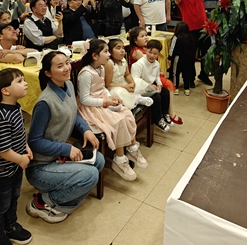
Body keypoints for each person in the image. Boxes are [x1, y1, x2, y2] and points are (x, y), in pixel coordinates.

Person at [26, 52, 104, 223]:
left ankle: (58, 201)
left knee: (99, 160)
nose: (67, 68)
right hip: (41, 167)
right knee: (91, 175)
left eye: (67, 63)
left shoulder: (68, 84)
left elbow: (73, 113)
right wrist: (66, 148)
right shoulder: (45, 102)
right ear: (48, 73)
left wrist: (86, 130)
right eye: (59, 66)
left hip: (58, 158)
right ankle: (42, 202)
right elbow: (34, 142)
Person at [77, 39, 148, 180]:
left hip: (102, 100)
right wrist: (105, 101)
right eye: (105, 51)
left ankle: (132, 148)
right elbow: (85, 99)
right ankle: (119, 160)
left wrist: (110, 97)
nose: (109, 54)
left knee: (127, 113)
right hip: (91, 107)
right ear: (94, 56)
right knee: (118, 120)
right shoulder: (85, 74)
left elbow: (102, 87)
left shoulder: (101, 68)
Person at [0, 69, 33, 245]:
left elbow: (18, 134)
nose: (25, 83)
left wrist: (25, 147)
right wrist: (20, 159)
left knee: (14, 197)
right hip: (2, 171)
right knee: (1, 205)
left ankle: (11, 226)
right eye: (19, 81)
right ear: (5, 91)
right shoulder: (2, 117)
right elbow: (1, 149)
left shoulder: (15, 108)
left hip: (14, 167)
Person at [131, 39, 180, 131]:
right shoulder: (138, 64)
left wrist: (159, 84)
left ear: (158, 54)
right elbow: (135, 80)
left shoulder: (156, 64)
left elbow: (157, 76)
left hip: (150, 86)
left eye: (155, 54)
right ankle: (157, 119)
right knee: (156, 96)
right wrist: (149, 86)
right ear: (146, 50)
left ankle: (165, 114)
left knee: (165, 92)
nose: (152, 56)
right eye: (150, 52)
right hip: (140, 88)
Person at [173, 0, 213, 86]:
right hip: (190, 31)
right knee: (190, 55)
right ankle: (190, 78)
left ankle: (204, 75)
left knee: (206, 54)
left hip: (204, 29)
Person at [104, 38, 156, 110]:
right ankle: (137, 99)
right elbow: (108, 84)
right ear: (110, 51)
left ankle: (144, 94)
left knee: (137, 81)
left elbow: (127, 75)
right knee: (118, 92)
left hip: (124, 83)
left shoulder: (123, 60)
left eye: (123, 48)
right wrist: (125, 87)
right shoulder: (109, 64)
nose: (122, 50)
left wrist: (132, 83)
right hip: (114, 87)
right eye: (118, 48)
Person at [168, 22, 197, 95]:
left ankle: (175, 87)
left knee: (175, 73)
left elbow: (172, 48)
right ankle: (187, 89)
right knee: (186, 73)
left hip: (178, 58)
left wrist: (170, 58)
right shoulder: (191, 37)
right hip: (188, 58)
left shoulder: (176, 37)